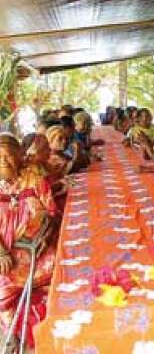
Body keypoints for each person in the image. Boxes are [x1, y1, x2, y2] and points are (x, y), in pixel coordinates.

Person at [0, 133, 58, 348]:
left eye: (8, 156)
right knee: (3, 290)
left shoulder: (34, 178)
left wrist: (47, 232)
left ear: (19, 155)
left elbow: (51, 211)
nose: (4, 162)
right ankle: (12, 334)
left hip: (38, 248)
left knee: (59, 274)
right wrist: (2, 253)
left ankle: (52, 327)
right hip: (9, 253)